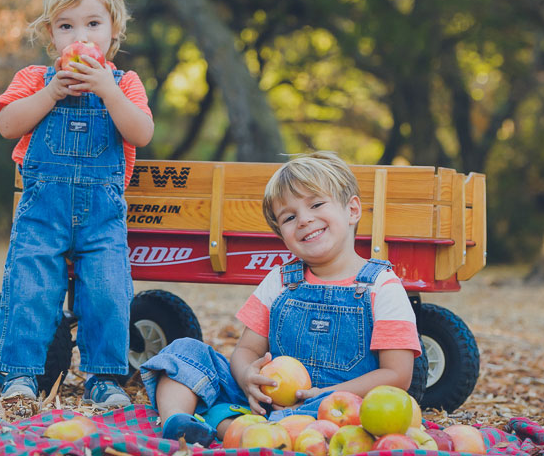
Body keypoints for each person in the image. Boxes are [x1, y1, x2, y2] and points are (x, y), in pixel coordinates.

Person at [140, 151, 421, 445]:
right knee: (186, 352)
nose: (304, 219)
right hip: (265, 399)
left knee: (353, 419)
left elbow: (397, 375)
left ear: (352, 210)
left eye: (316, 204)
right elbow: (246, 350)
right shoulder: (280, 281)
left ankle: (230, 426)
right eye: (289, 217)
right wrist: (249, 376)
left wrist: (327, 397)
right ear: (282, 234)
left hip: (335, 408)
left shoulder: (382, 287)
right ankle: (178, 421)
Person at [0, 0, 154, 405]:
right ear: (50, 33)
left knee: (107, 291)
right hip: (42, 215)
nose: (79, 36)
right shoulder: (35, 78)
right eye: (66, 26)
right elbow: (8, 125)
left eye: (92, 25)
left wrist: (106, 88)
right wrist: (51, 92)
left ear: (114, 29)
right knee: (31, 287)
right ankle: (20, 375)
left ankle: (103, 377)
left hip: (102, 220)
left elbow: (140, 130)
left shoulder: (124, 84)